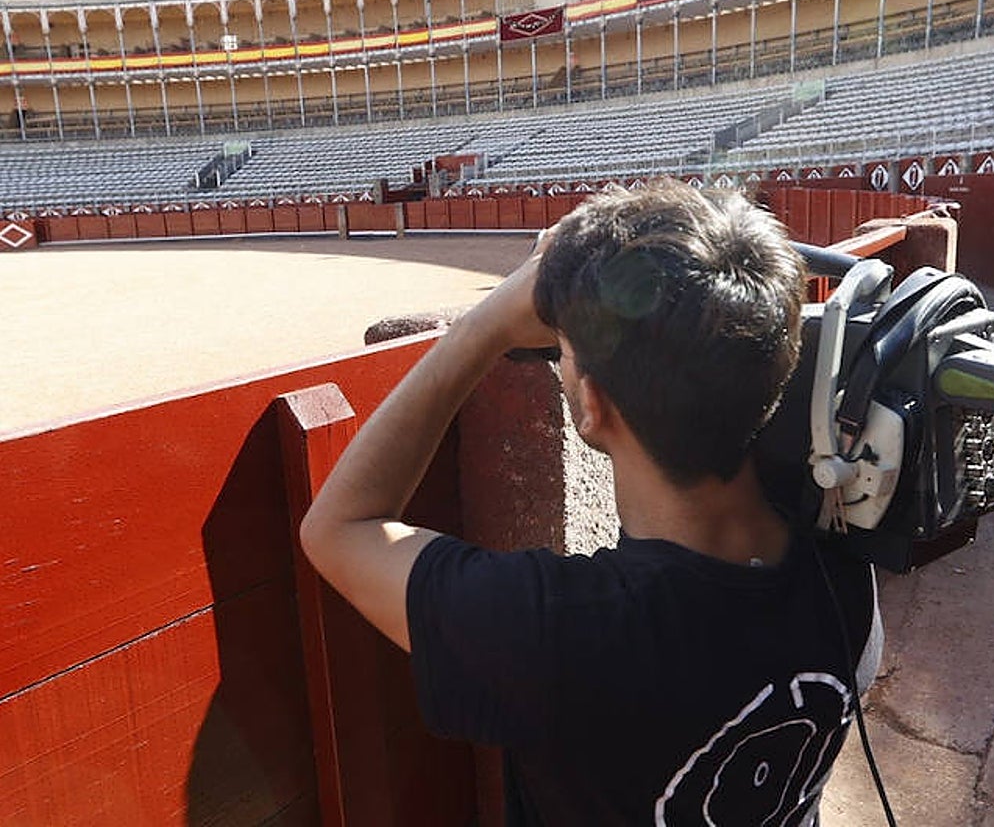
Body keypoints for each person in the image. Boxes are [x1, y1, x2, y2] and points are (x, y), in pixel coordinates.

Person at [300, 180, 882, 826]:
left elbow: (339, 528)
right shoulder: (845, 561)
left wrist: (482, 326)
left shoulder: (565, 633)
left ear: (592, 405)